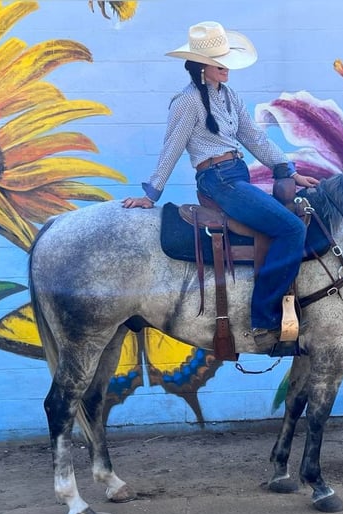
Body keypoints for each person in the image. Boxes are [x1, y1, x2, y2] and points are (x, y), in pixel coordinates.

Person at [122, 21, 319, 353]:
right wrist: (151, 194)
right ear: (202, 67)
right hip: (218, 181)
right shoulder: (186, 102)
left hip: (236, 175)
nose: (226, 67)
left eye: (226, 60)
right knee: (290, 230)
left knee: (291, 220)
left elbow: (254, 138)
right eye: (219, 62)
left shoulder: (230, 97)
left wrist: (287, 170)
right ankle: (263, 317)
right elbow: (172, 147)